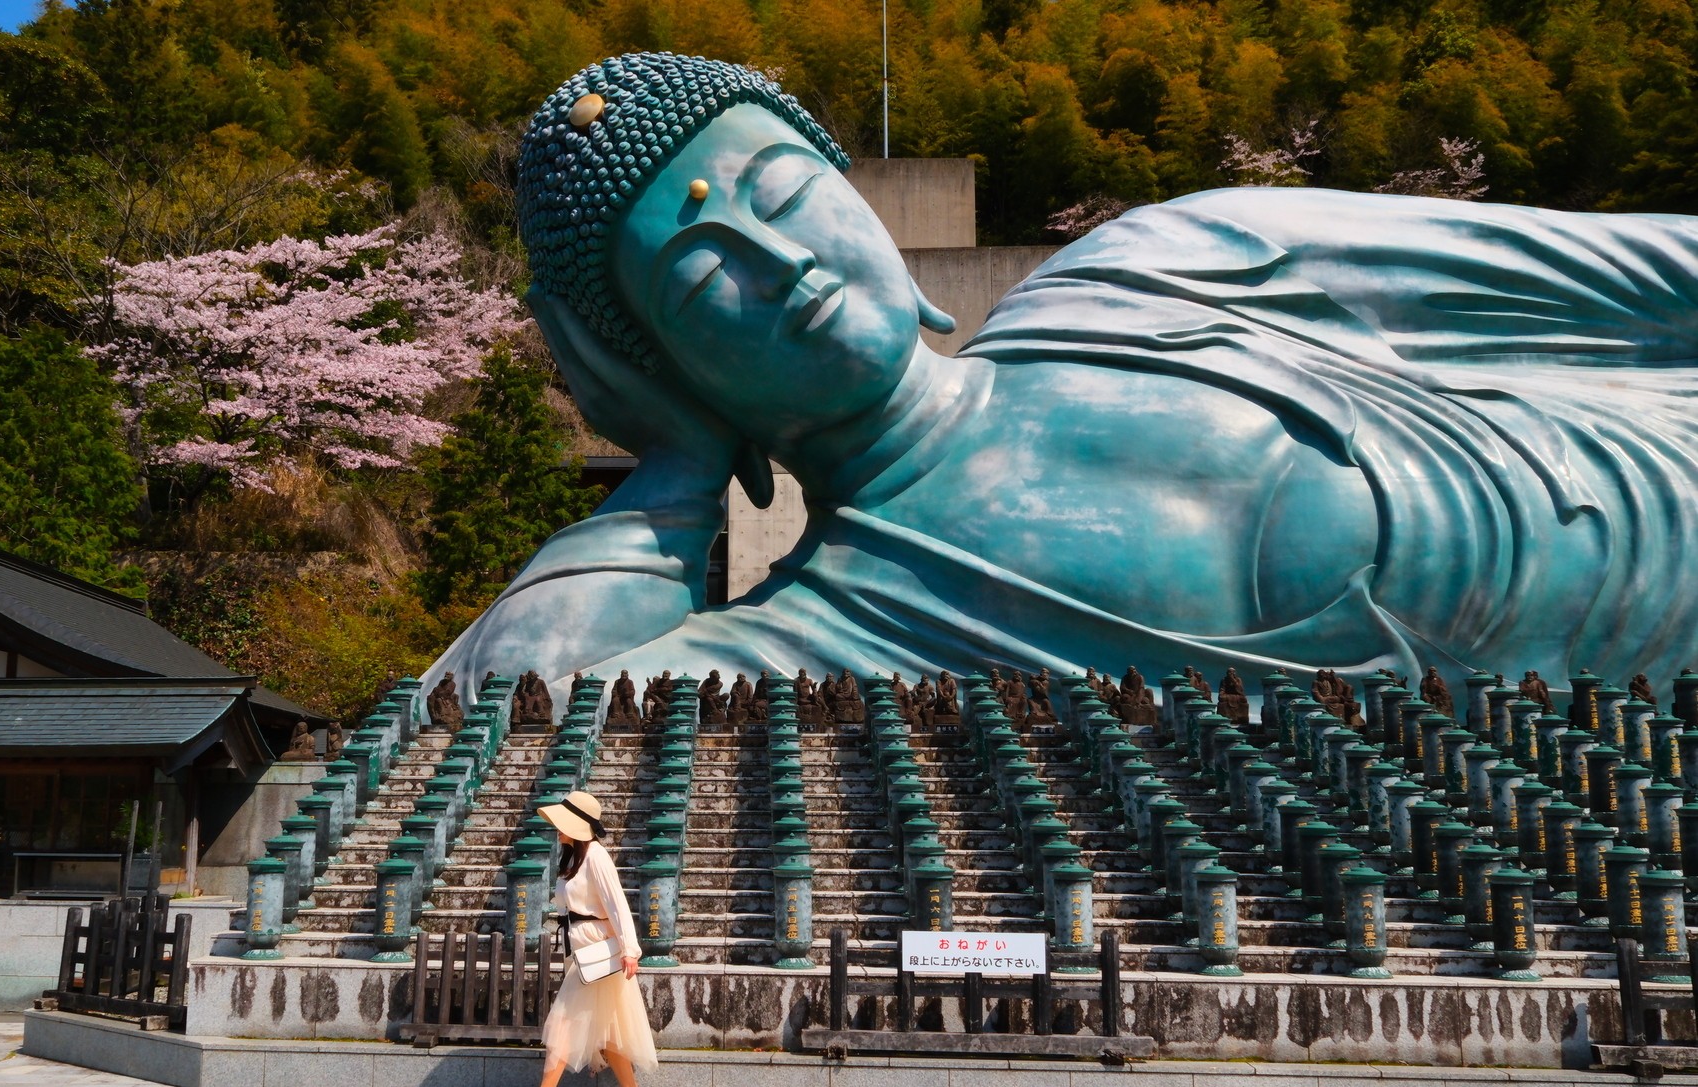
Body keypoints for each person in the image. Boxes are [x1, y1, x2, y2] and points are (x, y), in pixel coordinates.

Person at [430, 51, 1698, 703]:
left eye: (785, 193)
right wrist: (672, 471)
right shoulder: (825, 633)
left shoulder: (1162, 270)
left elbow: (1632, 275)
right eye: (708, 286)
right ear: (665, 372)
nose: (782, 261)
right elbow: (498, 727)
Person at [535, 790, 656, 1087]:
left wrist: (630, 949)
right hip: (583, 953)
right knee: (611, 1035)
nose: (558, 828)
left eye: (564, 822)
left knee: (562, 1026)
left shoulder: (596, 856)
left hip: (598, 953)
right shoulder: (575, 857)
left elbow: (617, 903)